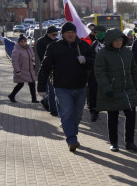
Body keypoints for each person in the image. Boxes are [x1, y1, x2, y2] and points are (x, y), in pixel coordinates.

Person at [37, 22, 95, 151]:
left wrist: (86, 60)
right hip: (61, 87)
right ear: (63, 34)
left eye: (72, 32)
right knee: (67, 112)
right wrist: (41, 86)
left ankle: (71, 132)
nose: (70, 34)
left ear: (75, 33)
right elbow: (45, 67)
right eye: (67, 32)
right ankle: (71, 139)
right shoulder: (54, 47)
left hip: (80, 87)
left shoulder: (83, 46)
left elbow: (95, 62)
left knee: (78, 115)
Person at [94, 28, 137, 152]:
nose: (118, 42)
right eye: (116, 40)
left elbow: (133, 69)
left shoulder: (127, 52)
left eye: (120, 40)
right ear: (110, 41)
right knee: (113, 117)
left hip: (128, 89)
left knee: (131, 116)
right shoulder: (103, 54)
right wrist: (107, 88)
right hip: (113, 90)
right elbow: (100, 73)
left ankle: (130, 142)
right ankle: (114, 143)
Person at [35, 26, 59, 116]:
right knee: (52, 89)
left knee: (55, 89)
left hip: (56, 67)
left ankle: (46, 101)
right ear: (49, 33)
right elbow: (42, 55)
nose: (55, 36)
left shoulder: (56, 41)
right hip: (47, 68)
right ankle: (53, 109)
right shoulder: (41, 41)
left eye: (57, 34)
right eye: (54, 34)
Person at [7, 35, 38, 103]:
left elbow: (33, 55)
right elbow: (14, 62)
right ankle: (12, 95)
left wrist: (33, 58)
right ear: (19, 42)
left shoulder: (29, 48)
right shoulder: (16, 51)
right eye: (22, 41)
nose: (24, 42)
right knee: (20, 84)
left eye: (25, 41)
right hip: (21, 70)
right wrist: (17, 70)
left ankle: (34, 99)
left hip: (30, 70)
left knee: (32, 84)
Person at [85, 25, 107, 121]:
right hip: (94, 72)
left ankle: (112, 113)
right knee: (93, 91)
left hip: (107, 73)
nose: (95, 34)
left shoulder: (110, 43)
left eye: (96, 32)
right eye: (94, 33)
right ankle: (94, 111)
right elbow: (90, 55)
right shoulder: (94, 43)